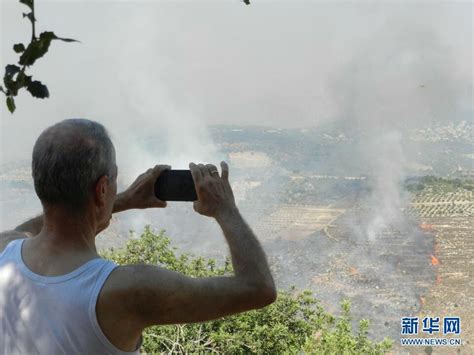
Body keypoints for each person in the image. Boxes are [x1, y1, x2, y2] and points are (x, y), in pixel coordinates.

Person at [0, 119, 276, 354]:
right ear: (102, 189)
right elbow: (257, 287)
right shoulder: (124, 291)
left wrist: (122, 200)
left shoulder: (5, 252)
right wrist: (225, 209)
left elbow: (29, 229)